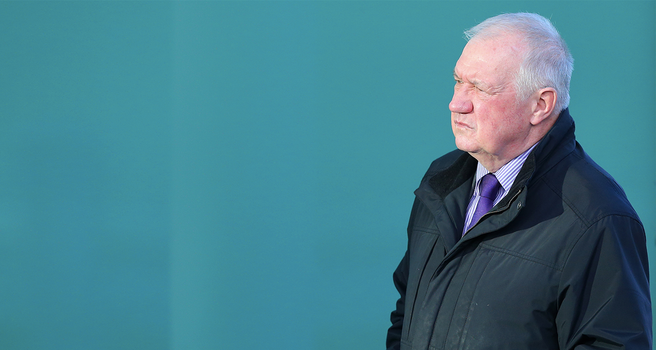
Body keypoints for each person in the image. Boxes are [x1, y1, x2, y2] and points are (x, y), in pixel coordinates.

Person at [386, 12, 652, 350]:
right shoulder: (440, 184)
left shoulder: (597, 217)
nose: (456, 103)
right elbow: (406, 316)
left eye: (480, 88)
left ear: (540, 105)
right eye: (457, 81)